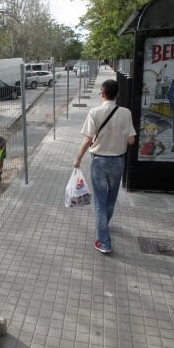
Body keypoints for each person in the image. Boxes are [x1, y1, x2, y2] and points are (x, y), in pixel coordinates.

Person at [74, 79, 136, 254]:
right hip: (118, 161)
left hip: (99, 162)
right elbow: (131, 140)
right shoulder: (126, 113)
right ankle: (104, 227)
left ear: (102, 94)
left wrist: (78, 158)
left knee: (100, 202)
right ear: (117, 94)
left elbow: (87, 139)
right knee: (110, 199)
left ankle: (104, 241)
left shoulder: (94, 112)